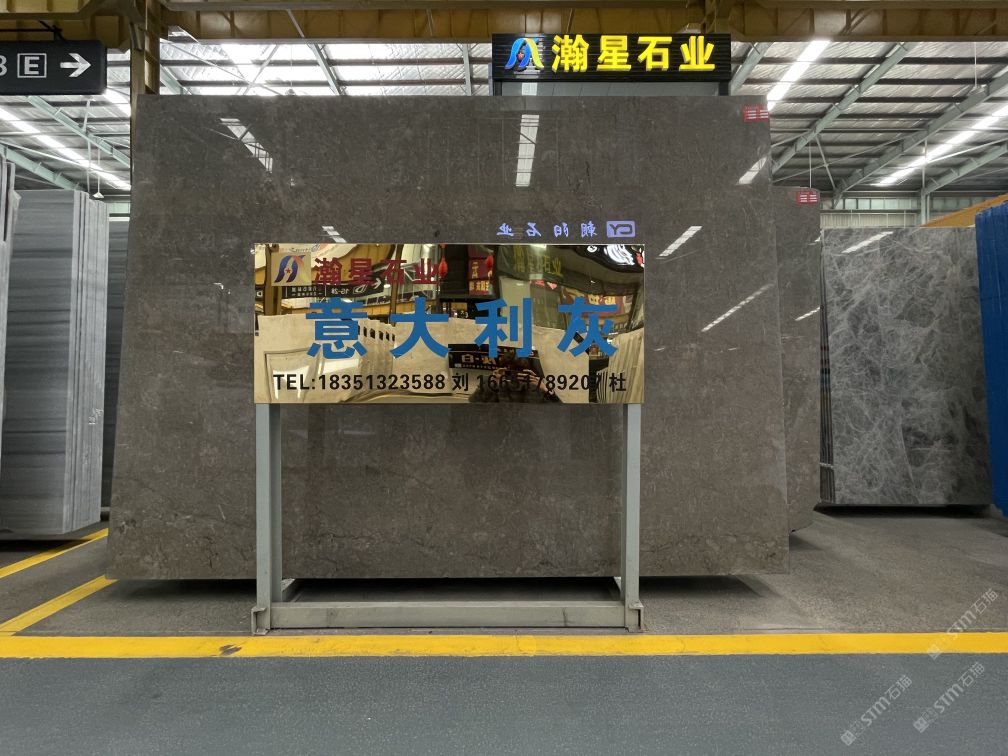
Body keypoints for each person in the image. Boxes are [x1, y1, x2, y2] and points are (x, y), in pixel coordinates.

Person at [467, 353, 560, 403]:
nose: (513, 376)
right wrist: (492, 384)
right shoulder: (493, 384)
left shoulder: (534, 389)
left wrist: (546, 390)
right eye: (509, 372)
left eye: (518, 371)